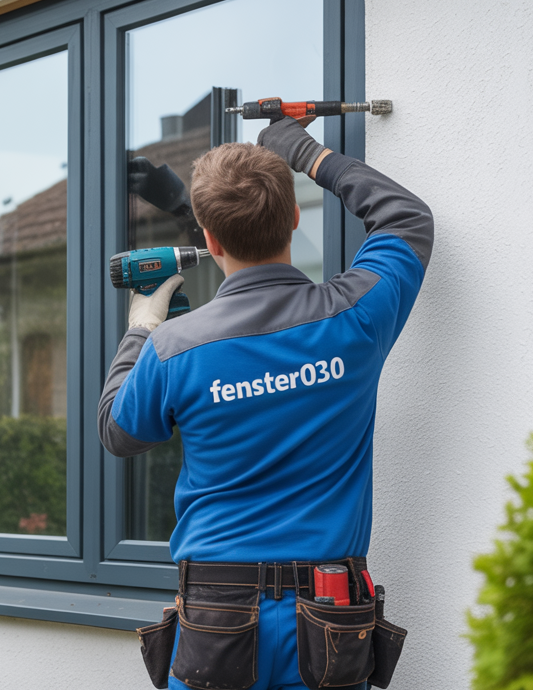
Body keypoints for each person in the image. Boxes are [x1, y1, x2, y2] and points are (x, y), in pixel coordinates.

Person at [99, 117, 433, 690]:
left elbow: (118, 431)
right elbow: (406, 218)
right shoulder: (353, 317)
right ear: (297, 217)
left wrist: (141, 327)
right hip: (330, 619)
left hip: (215, 619)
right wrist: (303, 151)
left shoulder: (174, 349)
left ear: (210, 240)